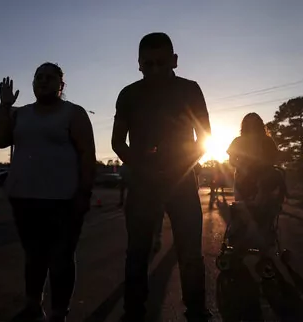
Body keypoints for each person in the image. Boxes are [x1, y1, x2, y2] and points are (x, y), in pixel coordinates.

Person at [111, 32, 211, 321]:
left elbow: (204, 137)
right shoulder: (128, 94)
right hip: (143, 185)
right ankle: (133, 313)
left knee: (190, 254)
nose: (154, 70)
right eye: (148, 64)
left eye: (161, 63)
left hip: (181, 182)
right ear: (138, 64)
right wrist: (143, 170)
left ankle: (196, 311)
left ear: (174, 61)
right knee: (137, 254)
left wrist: (178, 167)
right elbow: (118, 143)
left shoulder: (190, 90)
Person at [0, 63, 96, 322]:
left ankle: (59, 312)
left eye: (50, 77)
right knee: (34, 257)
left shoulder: (74, 113)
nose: (44, 81)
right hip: (25, 198)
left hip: (64, 200)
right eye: (39, 77)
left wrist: (83, 194)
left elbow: (87, 155)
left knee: (61, 258)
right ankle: (33, 305)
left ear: (62, 85)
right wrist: (4, 107)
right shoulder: (20, 114)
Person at [227, 113, 280, 204]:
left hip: (264, 178)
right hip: (244, 179)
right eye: (250, 124)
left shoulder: (267, 141)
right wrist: (244, 167)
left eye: (255, 123)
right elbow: (232, 161)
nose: (252, 126)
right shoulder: (238, 141)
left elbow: (275, 158)